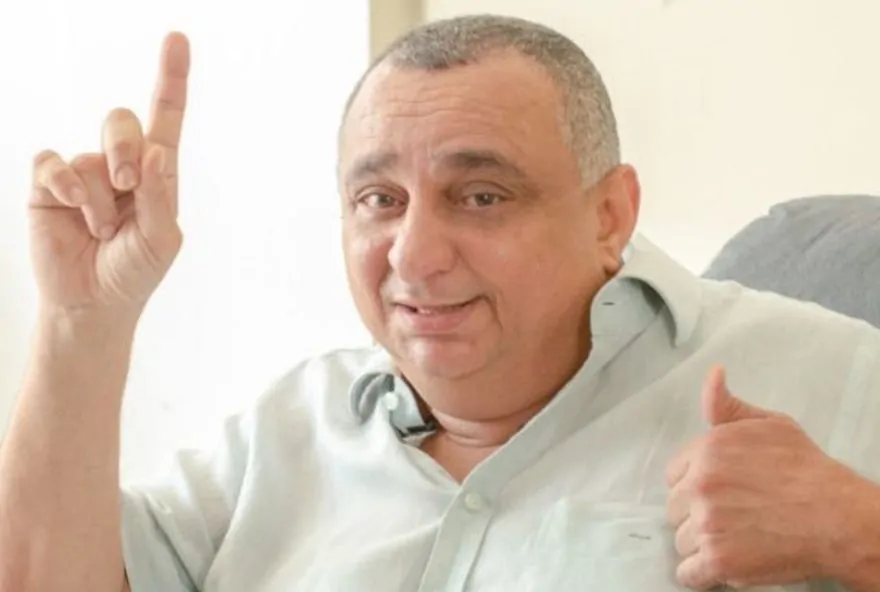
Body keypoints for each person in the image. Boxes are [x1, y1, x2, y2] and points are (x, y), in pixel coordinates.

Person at [1, 13, 879, 592]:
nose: (413, 256)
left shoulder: (826, 376)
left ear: (610, 215)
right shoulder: (286, 432)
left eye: (482, 196)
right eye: (379, 200)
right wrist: (83, 323)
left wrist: (858, 531)